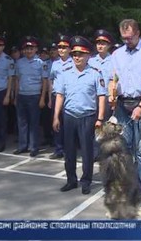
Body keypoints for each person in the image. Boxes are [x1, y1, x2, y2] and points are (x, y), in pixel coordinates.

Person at [109, 19, 141, 203]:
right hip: (123, 105)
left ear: (138, 33)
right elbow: (113, 78)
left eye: (130, 38)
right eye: (124, 38)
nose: (127, 41)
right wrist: (112, 93)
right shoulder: (116, 54)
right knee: (125, 148)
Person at [53, 36, 106, 195]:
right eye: (74, 54)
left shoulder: (95, 74)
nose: (77, 57)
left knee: (87, 151)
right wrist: (56, 116)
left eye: (80, 54)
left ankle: (86, 181)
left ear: (88, 55)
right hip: (69, 116)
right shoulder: (65, 73)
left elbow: (101, 96)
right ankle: (71, 180)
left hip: (87, 117)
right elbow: (60, 95)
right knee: (69, 151)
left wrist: (100, 118)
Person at [13, 36, 48, 157]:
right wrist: (15, 95)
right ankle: (22, 146)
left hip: (35, 96)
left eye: (31, 48)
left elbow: (44, 81)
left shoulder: (41, 63)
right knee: (21, 122)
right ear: (23, 50)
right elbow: (17, 80)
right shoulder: (19, 62)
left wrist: (43, 98)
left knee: (34, 123)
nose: (29, 51)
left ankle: (34, 147)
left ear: (36, 49)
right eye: (27, 48)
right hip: (22, 95)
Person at [48, 35, 73, 159]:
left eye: (64, 47)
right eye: (60, 47)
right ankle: (58, 149)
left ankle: (69, 149)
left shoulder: (74, 62)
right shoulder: (55, 64)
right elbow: (51, 81)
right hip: (56, 96)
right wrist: (48, 98)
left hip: (69, 97)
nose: (61, 50)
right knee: (56, 123)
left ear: (69, 49)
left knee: (68, 125)